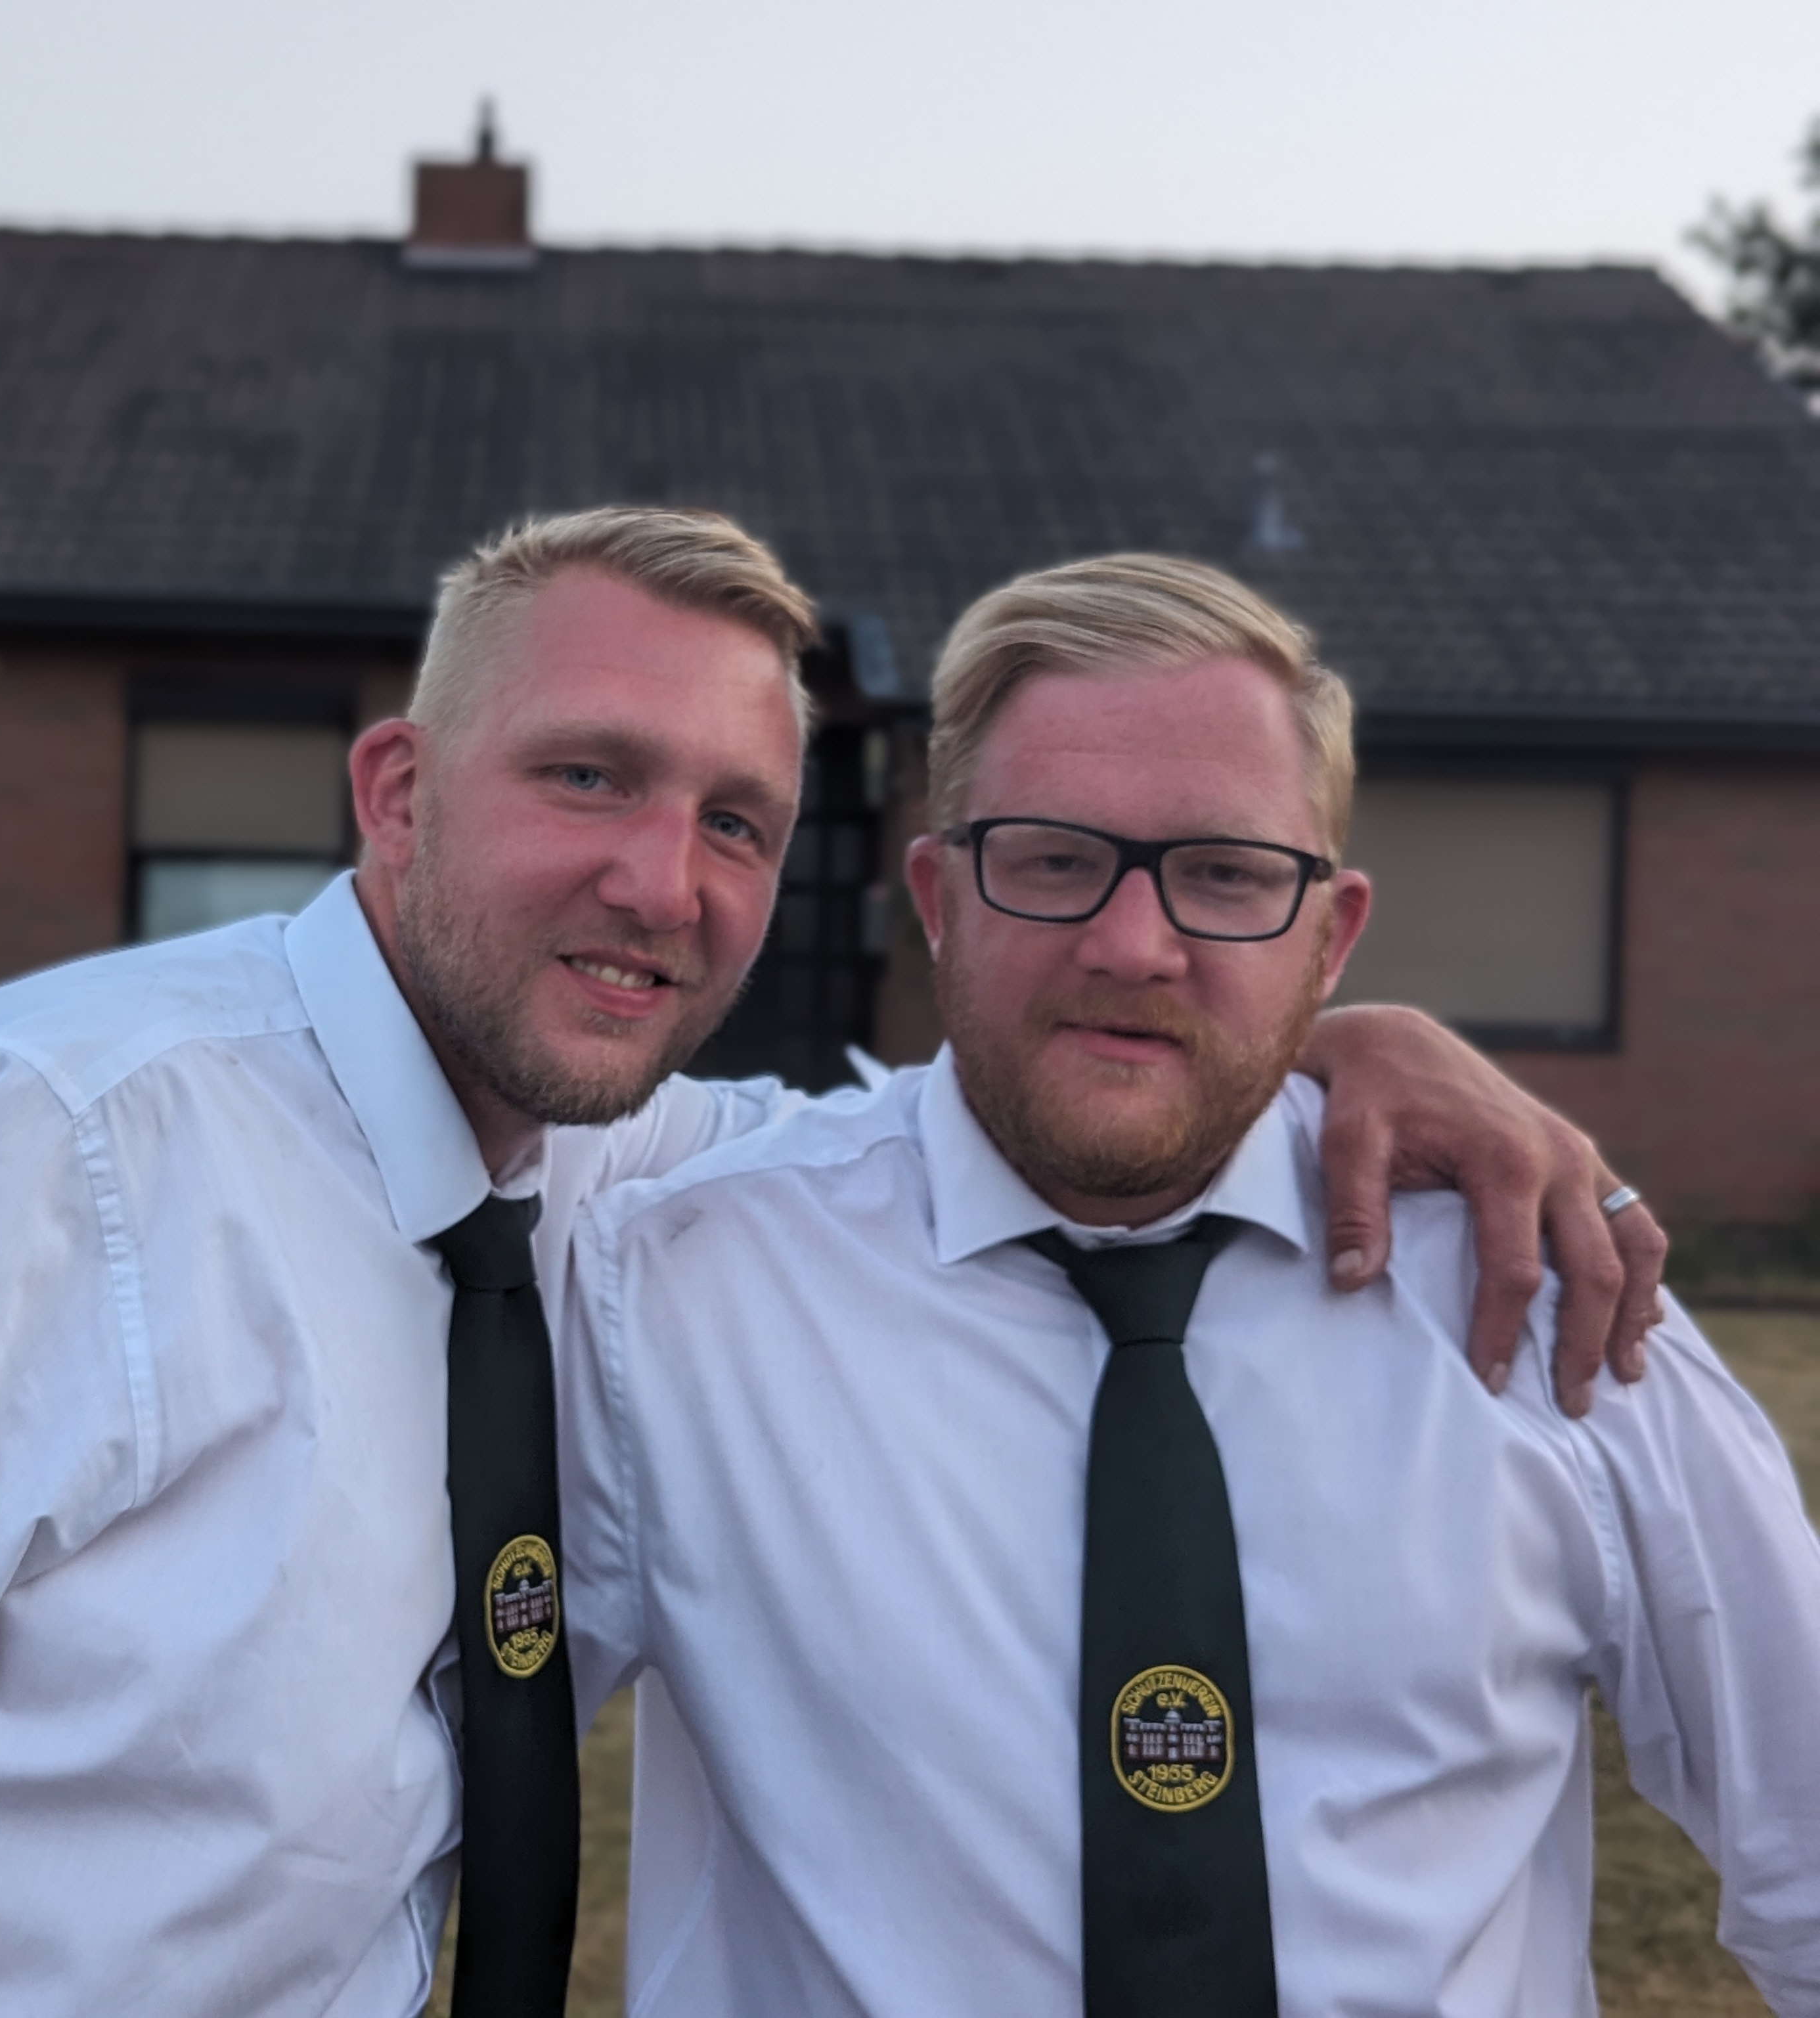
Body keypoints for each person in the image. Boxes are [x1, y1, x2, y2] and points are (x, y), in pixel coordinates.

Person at [0, 514, 1662, 2018]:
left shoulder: (611, 1171)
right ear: (395, 792)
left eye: (736, 822)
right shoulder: (52, 1148)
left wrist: (1326, 1038)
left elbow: (1016, 1093)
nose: (662, 884)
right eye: (588, 778)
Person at [562, 553, 1819, 2016]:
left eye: (1225, 874)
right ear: (940, 898)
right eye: (1053, 859)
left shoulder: (1543, 1294)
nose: (1133, 946)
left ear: (1332, 936)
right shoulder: (675, 1294)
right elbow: (395, 1800)